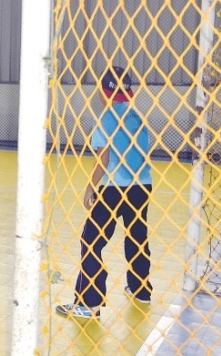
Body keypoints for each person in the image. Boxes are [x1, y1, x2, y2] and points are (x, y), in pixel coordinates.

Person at [56, 66, 153, 320]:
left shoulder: (106, 117)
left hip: (114, 188)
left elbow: (104, 156)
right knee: (137, 235)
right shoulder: (137, 116)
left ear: (103, 92)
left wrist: (91, 187)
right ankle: (141, 289)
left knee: (91, 241)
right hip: (143, 185)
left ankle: (88, 304)